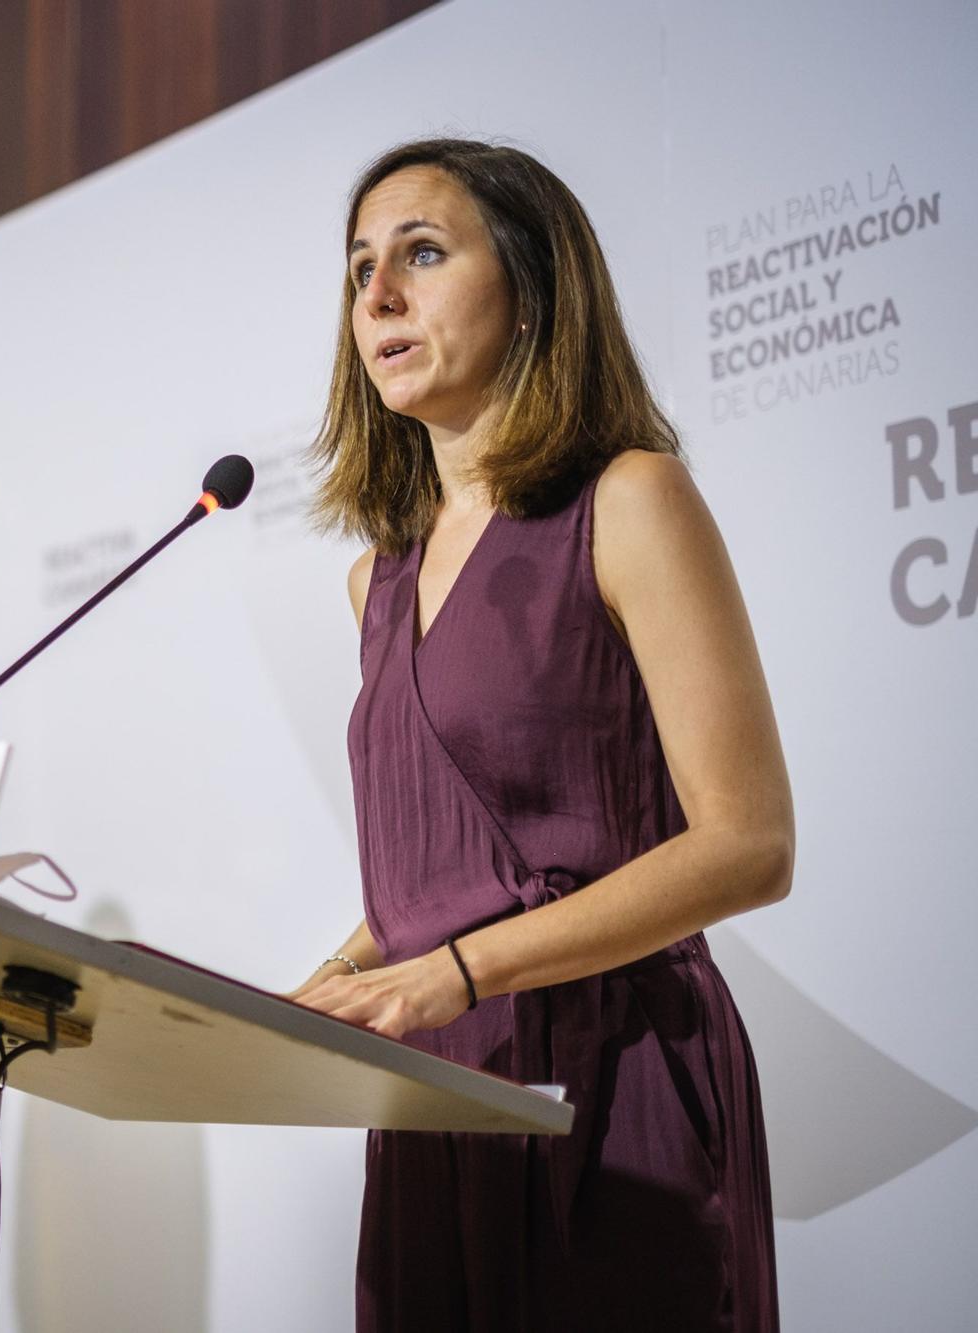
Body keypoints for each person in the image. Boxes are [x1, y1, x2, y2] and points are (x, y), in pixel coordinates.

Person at [287, 138, 791, 1332]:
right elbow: (459, 875)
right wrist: (341, 980)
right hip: (433, 1093)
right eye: (359, 268)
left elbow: (747, 844)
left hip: (612, 1083)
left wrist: (460, 971)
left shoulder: (626, 501)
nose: (377, 298)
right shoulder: (373, 583)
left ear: (529, 291)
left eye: (420, 253)